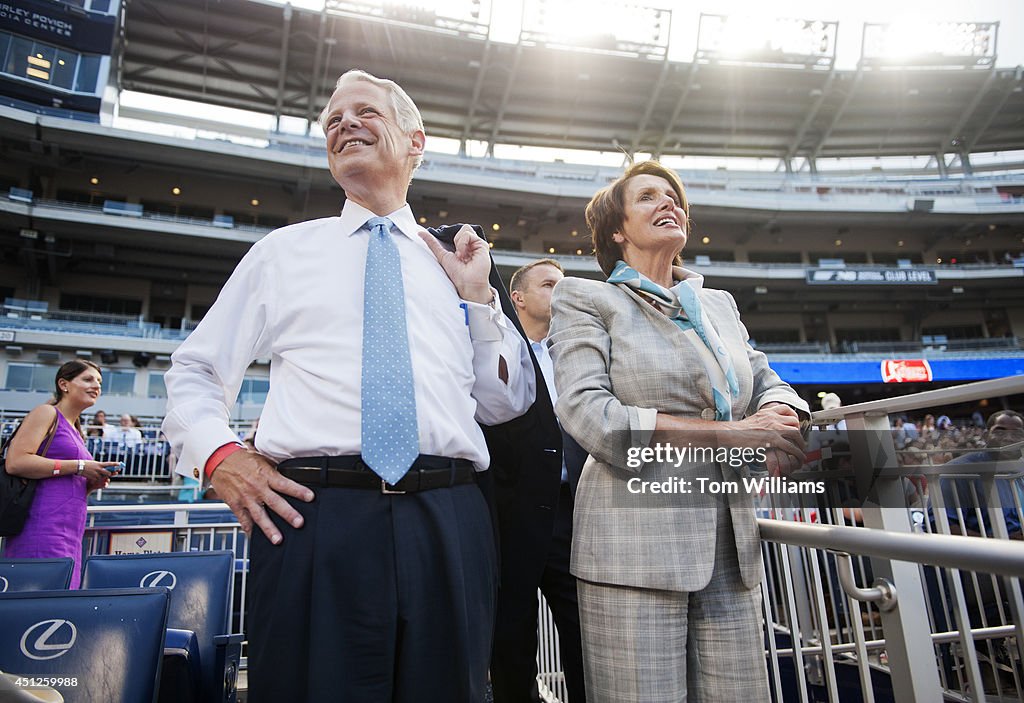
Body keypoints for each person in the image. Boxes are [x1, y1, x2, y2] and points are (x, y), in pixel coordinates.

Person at [162, 69, 535, 703]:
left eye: (364, 112)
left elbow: (503, 403)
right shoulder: (282, 253)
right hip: (315, 520)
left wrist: (478, 300)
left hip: (448, 517)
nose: (343, 125)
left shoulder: (458, 263)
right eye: (332, 121)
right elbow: (195, 371)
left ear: (415, 142)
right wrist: (221, 457)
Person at [548, 160, 808, 702]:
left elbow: (767, 379)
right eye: (648, 197)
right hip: (630, 547)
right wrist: (737, 434)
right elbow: (589, 414)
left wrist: (785, 416)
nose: (669, 203)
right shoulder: (584, 298)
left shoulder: (719, 305)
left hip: (730, 546)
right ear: (617, 229)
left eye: (673, 196)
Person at [491, 258, 586, 702]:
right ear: (518, 299)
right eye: (550, 284)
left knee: (585, 635)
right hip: (512, 511)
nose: (560, 291)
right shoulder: (496, 351)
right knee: (512, 640)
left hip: (573, 513)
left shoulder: (580, 357)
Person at [2, 360, 121, 587]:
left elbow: (64, 479)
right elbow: (16, 462)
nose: (96, 385)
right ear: (64, 384)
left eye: (99, 381)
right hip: (41, 527)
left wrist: (91, 482)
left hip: (70, 531)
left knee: (60, 604)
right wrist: (80, 466)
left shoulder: (77, 429)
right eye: (88, 379)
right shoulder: (46, 413)